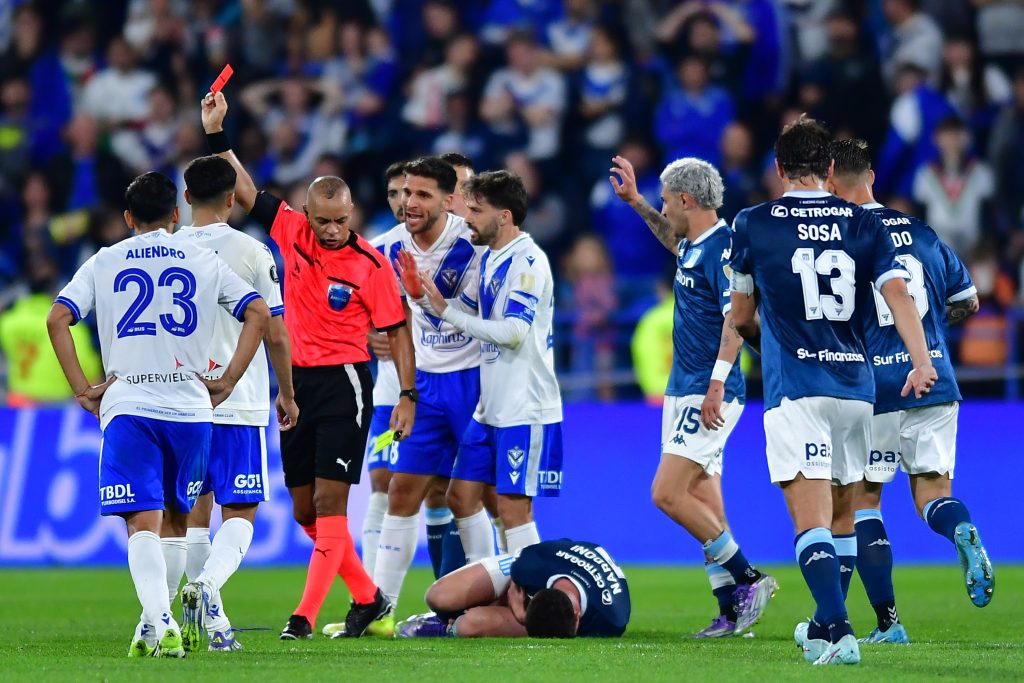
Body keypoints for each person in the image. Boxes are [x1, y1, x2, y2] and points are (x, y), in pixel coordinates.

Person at [200, 90, 417, 640]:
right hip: (295, 385)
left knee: (329, 502)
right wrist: (217, 135)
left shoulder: (370, 264)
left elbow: (397, 329)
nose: (330, 230)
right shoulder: (291, 230)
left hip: (347, 382)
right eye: (322, 220)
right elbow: (245, 191)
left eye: (340, 220)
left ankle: (303, 617)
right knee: (303, 511)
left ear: (352, 214)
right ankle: (368, 597)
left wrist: (408, 395)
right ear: (309, 213)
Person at [728, 116, 936, 666]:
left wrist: (767, 345)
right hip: (857, 389)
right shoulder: (865, 224)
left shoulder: (753, 223)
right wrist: (920, 361)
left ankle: (840, 631)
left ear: (778, 170)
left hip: (797, 387)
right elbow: (898, 295)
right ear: (827, 169)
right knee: (844, 515)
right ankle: (824, 626)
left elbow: (742, 315)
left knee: (811, 519)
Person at [46, 171, 269, 658]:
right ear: (175, 215)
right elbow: (258, 312)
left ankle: (160, 619)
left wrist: (84, 388)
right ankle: (152, 626)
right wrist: (228, 379)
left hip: (130, 406)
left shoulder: (105, 260)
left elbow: (57, 318)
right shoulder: (203, 259)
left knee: (142, 523)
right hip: (191, 409)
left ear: (127, 218)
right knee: (176, 518)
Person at [827, 138, 993, 643]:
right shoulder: (921, 232)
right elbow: (969, 300)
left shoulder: (842, 237)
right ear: (872, 177)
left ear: (832, 183)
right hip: (936, 378)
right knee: (933, 494)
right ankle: (960, 529)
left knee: (863, 501)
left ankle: (888, 624)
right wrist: (930, 336)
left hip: (875, 385)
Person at [610, 154, 776, 637]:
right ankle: (729, 611)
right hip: (687, 388)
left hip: (709, 389)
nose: (665, 208)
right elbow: (673, 240)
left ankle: (748, 578)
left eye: (665, 200)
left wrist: (717, 384)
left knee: (666, 492)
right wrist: (639, 203)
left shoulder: (724, 249)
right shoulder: (694, 244)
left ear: (686, 199)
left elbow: (736, 321)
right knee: (707, 505)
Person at [170, 155, 299, 653]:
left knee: (193, 512)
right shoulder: (252, 250)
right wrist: (286, 393)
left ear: (186, 198)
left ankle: (215, 621)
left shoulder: (165, 251)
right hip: (236, 400)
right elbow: (275, 331)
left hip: (178, 402)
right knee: (240, 511)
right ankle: (209, 589)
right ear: (231, 199)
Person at [403, 170, 564, 565]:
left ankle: (529, 598)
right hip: (490, 408)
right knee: (460, 495)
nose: (467, 218)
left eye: (475, 210)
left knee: (512, 510)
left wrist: (444, 309)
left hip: (524, 407)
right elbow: (466, 315)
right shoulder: (492, 257)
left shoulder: (527, 262)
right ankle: (486, 585)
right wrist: (425, 298)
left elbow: (511, 332)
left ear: (504, 216)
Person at [368, 156, 484, 631]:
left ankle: (484, 605)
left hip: (476, 381)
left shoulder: (472, 243)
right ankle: (379, 611)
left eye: (421, 195)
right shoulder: (386, 249)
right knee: (401, 490)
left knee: (472, 497)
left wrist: (415, 295)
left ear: (448, 200)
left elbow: (439, 308)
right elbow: (380, 320)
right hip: (427, 385)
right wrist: (407, 390)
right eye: (404, 194)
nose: (409, 203)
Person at [397, 539, 630, 638]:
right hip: (527, 571)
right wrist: (518, 608)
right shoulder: (533, 565)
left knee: (469, 626)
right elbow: (514, 583)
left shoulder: (612, 616)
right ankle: (453, 612)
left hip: (566, 579)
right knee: (439, 596)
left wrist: (521, 618)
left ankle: (444, 627)